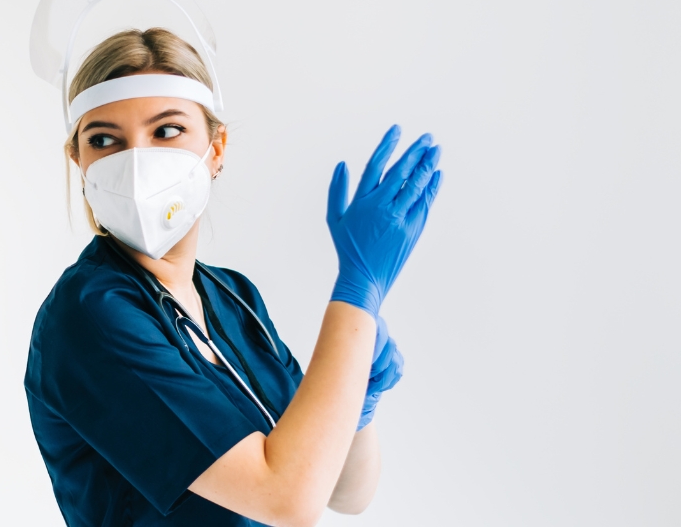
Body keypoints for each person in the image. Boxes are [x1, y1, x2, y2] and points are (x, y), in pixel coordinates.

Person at [24, 27, 443, 526]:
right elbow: (287, 499)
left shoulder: (233, 296)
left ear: (216, 149)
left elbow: (342, 492)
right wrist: (356, 289)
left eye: (166, 130)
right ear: (80, 160)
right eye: (105, 139)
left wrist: (360, 403)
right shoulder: (90, 315)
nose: (135, 163)